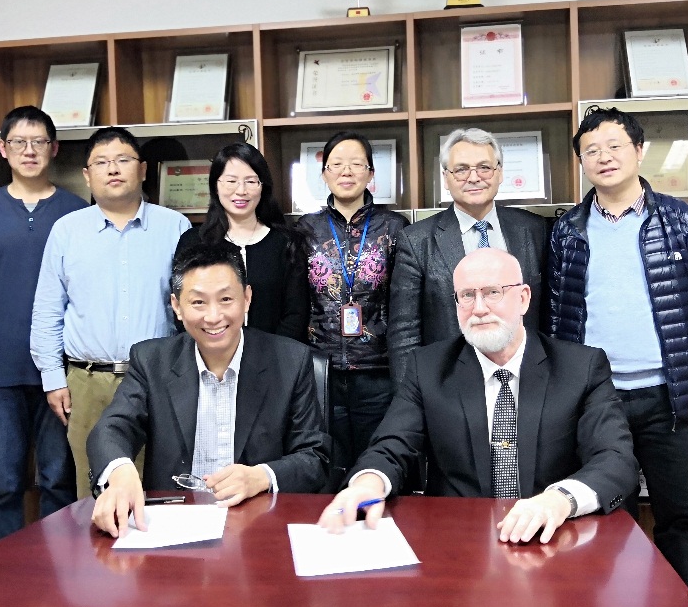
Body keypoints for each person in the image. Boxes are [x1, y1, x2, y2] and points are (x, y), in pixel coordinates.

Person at [544, 106, 688, 600]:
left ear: (639, 151)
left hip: (668, 397)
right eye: (591, 151)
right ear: (581, 163)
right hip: (596, 400)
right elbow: (556, 316)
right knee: (606, 516)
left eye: (615, 146)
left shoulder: (682, 221)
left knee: (679, 517)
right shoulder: (568, 231)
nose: (604, 157)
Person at [320, 248, 635, 545]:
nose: (479, 308)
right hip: (459, 541)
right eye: (467, 295)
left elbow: (615, 459)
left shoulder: (581, 368)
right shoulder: (428, 368)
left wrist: (559, 500)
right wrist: (369, 483)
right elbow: (392, 445)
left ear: (523, 298)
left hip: (552, 538)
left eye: (493, 292)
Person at [88, 243, 329, 537]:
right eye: (198, 302)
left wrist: (261, 476)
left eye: (226, 299)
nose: (213, 317)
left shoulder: (290, 360)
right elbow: (112, 428)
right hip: (172, 527)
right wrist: (120, 471)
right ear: (177, 306)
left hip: (257, 526)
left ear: (247, 298)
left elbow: (315, 457)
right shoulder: (152, 361)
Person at [0, 106, 89, 546]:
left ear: (54, 149)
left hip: (62, 370)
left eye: (38, 142)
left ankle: (62, 572)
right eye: (19, 142)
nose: (29, 151)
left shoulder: (76, 212)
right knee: (2, 483)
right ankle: (0, 576)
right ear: (2, 149)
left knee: (59, 480)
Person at [30, 126, 189, 498]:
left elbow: (188, 310)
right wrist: (53, 379)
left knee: (159, 489)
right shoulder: (67, 231)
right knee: (94, 493)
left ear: (143, 169)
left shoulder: (175, 227)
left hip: (157, 380)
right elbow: (48, 310)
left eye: (123, 160)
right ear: (87, 175)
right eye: (101, 162)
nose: (113, 169)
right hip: (86, 382)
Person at [388, 127, 548, 387]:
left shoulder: (534, 229)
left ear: (499, 173)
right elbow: (404, 332)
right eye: (461, 169)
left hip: (527, 379)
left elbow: (548, 315)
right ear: (446, 178)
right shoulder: (416, 240)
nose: (474, 178)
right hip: (449, 383)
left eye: (484, 167)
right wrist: (411, 398)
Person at [297, 131, 407, 482]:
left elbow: (404, 304)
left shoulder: (395, 227)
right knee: (327, 466)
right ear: (324, 174)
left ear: (370, 173)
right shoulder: (305, 230)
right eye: (337, 164)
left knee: (377, 462)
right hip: (321, 370)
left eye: (357, 164)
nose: (346, 171)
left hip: (378, 371)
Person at [174, 142, 309, 341]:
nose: (241, 190)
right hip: (209, 353)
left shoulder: (287, 242)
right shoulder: (194, 242)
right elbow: (184, 307)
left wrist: (272, 354)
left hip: (275, 355)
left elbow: (296, 314)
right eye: (231, 181)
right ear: (215, 186)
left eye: (251, 181)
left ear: (263, 187)